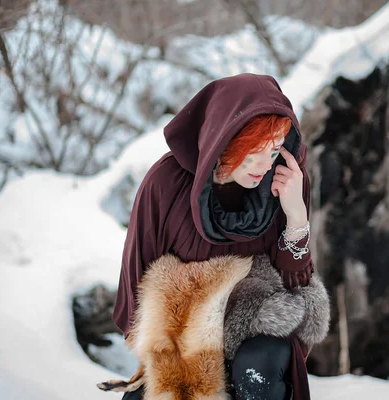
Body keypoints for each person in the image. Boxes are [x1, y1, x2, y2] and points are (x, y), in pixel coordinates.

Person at [113, 73, 315, 400]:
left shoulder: (286, 182)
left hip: (257, 333)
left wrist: (296, 217)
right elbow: (136, 284)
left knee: (258, 370)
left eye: (275, 149)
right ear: (224, 139)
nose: (264, 165)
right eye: (253, 151)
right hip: (184, 342)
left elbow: (298, 291)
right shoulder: (165, 183)